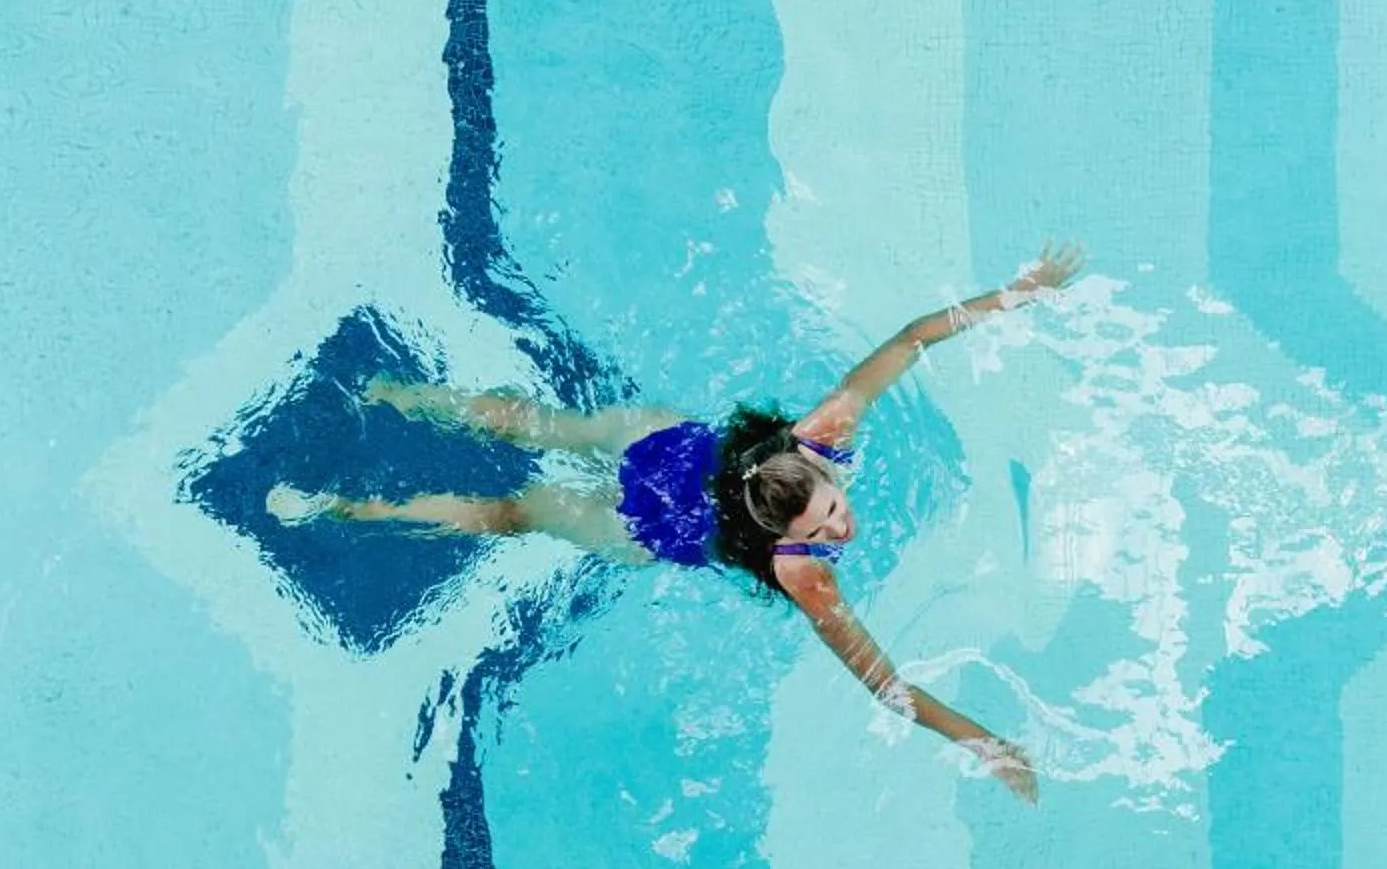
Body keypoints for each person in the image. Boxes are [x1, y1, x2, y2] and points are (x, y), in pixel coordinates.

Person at [268, 244, 1085, 802]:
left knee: (537, 426)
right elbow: (883, 683)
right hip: (635, 525)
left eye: (833, 507)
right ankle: (347, 495)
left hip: (652, 441)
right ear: (779, 534)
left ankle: (388, 398)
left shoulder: (821, 433)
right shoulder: (801, 571)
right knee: (510, 510)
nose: (842, 528)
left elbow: (911, 340)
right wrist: (982, 741)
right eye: (829, 522)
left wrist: (1019, 293)